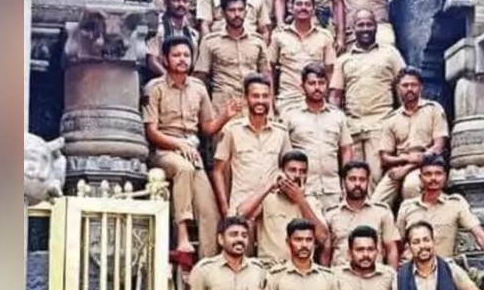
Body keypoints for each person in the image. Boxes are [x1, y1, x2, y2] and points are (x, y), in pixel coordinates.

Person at [144, 35, 242, 256]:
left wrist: (225, 116)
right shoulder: (154, 88)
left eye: (186, 55)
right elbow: (151, 132)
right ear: (165, 59)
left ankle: (208, 262)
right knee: (184, 169)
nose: (182, 59)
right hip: (164, 151)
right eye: (176, 55)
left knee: (210, 213)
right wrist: (178, 144)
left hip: (191, 152)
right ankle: (182, 236)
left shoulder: (198, 88)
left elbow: (207, 128)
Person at [329, 11, 406, 189]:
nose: (365, 29)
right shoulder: (343, 60)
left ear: (376, 27)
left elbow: (403, 87)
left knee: (376, 178)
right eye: (361, 25)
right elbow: (335, 96)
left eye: (369, 24)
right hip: (352, 128)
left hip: (381, 125)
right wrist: (336, 126)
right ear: (353, 28)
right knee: (353, 180)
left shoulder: (390, 54)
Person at [397, 155, 484, 272]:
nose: (433, 178)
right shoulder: (408, 206)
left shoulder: (456, 204)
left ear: (445, 176)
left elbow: (479, 235)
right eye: (428, 174)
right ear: (421, 178)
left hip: (443, 270)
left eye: (438, 174)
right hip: (412, 269)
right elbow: (397, 243)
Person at [213, 74, 292, 213]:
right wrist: (225, 209)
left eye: (265, 96)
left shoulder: (281, 132)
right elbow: (218, 171)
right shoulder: (232, 130)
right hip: (240, 208)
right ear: (245, 98)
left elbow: (288, 169)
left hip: (272, 209)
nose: (260, 101)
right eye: (255, 96)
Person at [371, 67, 448, 207]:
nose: (410, 89)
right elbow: (385, 157)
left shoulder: (433, 109)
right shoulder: (391, 119)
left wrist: (407, 168)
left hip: (426, 165)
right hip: (398, 166)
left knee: (410, 186)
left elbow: (438, 147)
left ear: (421, 87)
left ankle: (415, 220)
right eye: (405, 85)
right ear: (398, 88)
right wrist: (405, 159)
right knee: (376, 203)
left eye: (414, 85)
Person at [237, 150, 328, 266]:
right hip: (270, 267)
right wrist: (269, 185)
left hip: (301, 269)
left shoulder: (311, 202)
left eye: (303, 172)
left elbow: (322, 237)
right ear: (281, 172)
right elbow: (241, 214)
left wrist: (301, 200)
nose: (297, 175)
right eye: (292, 170)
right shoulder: (267, 199)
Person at [282, 63, 353, 209]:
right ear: (302, 86)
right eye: (312, 83)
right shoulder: (290, 116)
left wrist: (345, 184)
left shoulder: (338, 116)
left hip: (332, 190)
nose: (317, 88)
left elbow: (346, 150)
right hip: (303, 190)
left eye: (321, 83)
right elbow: (283, 153)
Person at [194, 0, 271, 110]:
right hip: (222, 106)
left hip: (252, 104)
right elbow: (200, 77)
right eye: (232, 10)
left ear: (246, 12)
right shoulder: (210, 42)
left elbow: (266, 75)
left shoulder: (258, 41)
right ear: (223, 13)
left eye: (240, 10)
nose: (237, 14)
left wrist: (270, 107)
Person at [269, 0, 337, 115]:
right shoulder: (279, 35)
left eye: (307, 4)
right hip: (287, 102)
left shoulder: (325, 36)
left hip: (316, 102)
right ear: (291, 8)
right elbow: (270, 71)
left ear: (313, 9)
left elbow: (330, 72)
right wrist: (271, 105)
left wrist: (328, 104)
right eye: (299, 4)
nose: (303, 8)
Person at [323, 161, 399, 267]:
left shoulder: (382, 212)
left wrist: (392, 276)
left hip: (375, 275)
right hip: (340, 275)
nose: (357, 184)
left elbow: (391, 250)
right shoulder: (331, 215)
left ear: (368, 182)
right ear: (343, 182)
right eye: (352, 179)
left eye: (362, 179)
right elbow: (326, 253)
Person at [147, 0, 200, 77]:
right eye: (176, 0)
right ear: (166, 2)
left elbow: (192, 64)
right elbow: (152, 61)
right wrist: (171, 79)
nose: (181, 4)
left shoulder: (193, 34)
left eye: (185, 1)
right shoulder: (156, 27)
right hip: (159, 79)